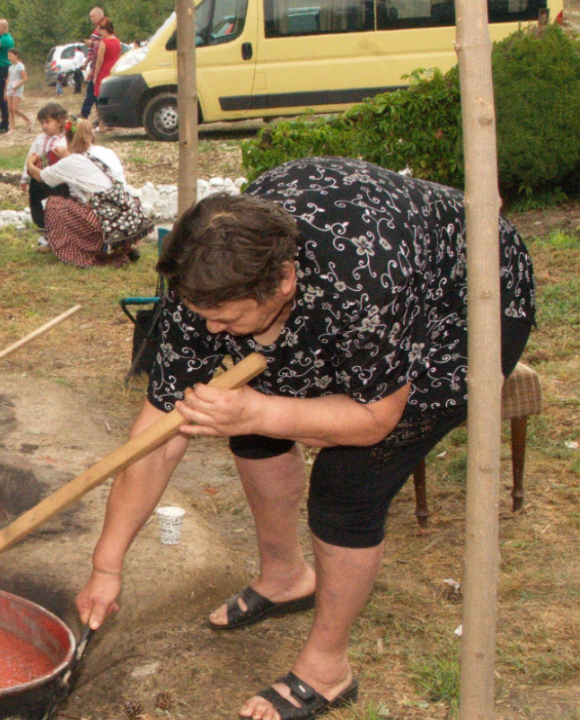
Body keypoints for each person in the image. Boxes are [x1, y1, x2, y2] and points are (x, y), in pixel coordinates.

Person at [74, 157, 535, 720]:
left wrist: (260, 409)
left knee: (348, 484)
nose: (211, 333)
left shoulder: (364, 277)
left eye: (226, 320)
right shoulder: (205, 277)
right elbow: (159, 435)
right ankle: (286, 577)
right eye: (203, 318)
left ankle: (327, 668)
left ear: (285, 281)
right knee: (247, 422)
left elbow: (374, 418)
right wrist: (107, 564)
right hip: (341, 293)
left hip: (462, 299)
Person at [25, 117, 135, 268]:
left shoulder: (73, 160)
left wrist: (30, 164)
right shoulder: (106, 152)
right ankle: (123, 244)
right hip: (124, 217)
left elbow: (40, 176)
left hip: (103, 222)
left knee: (55, 203)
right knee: (72, 192)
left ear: (69, 140)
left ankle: (77, 246)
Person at [20, 102, 71, 250]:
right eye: (42, 123)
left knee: (58, 204)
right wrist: (25, 177)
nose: (44, 126)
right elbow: (31, 157)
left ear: (60, 121)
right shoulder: (39, 140)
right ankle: (45, 231)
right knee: (36, 198)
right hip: (41, 178)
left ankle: (60, 234)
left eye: (48, 122)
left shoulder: (65, 140)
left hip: (60, 181)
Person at [91, 19, 121, 132]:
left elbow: (99, 60)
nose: (99, 31)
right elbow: (119, 56)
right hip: (114, 71)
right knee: (111, 98)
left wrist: (95, 75)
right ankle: (111, 124)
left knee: (102, 99)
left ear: (106, 30)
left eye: (101, 28)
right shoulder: (117, 41)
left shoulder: (104, 42)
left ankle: (102, 126)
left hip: (104, 71)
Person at [80, 7, 105, 116]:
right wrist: (86, 63)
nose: (91, 18)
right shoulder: (96, 30)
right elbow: (92, 52)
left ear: (100, 15)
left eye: (93, 16)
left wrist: (91, 43)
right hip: (93, 63)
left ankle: (84, 116)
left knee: (92, 92)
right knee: (95, 94)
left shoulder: (103, 28)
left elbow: (104, 44)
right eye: (90, 16)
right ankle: (101, 118)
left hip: (99, 65)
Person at [5, 49, 32, 131]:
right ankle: (12, 128)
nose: (9, 58)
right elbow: (9, 78)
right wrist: (6, 90)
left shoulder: (20, 66)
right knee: (9, 108)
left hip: (17, 89)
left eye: (11, 56)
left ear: (16, 56)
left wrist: (18, 84)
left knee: (14, 109)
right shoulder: (10, 67)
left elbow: (25, 78)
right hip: (10, 88)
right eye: (8, 56)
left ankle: (28, 120)